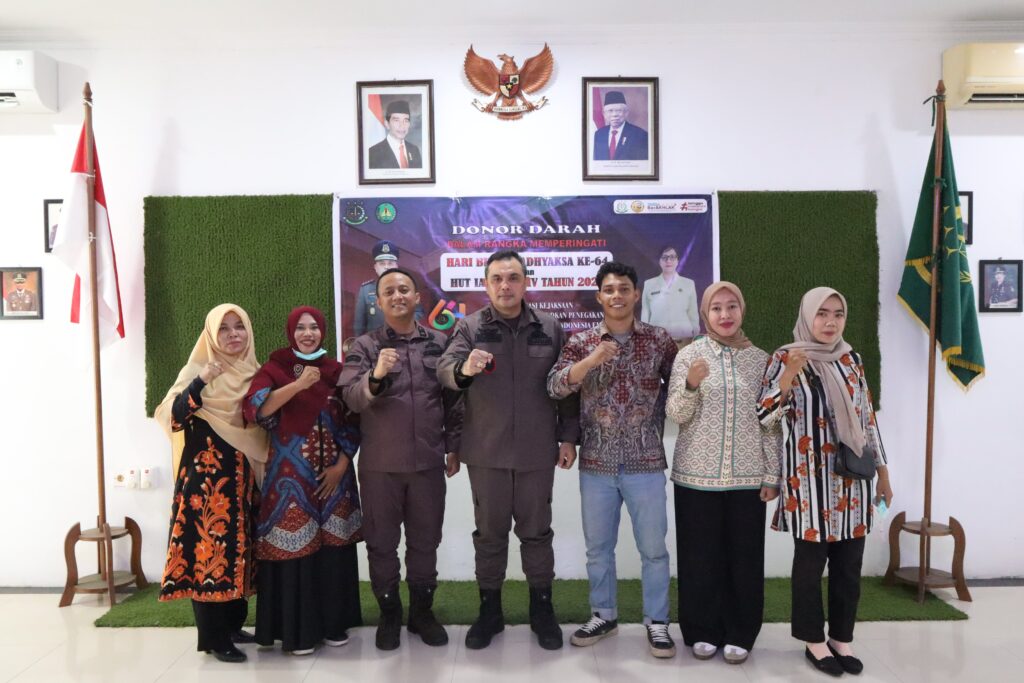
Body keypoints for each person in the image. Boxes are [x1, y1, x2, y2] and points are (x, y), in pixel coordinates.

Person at [438, 249, 579, 651]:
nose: (505, 286)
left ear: (526, 282)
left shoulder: (550, 327)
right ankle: (490, 612)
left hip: (537, 452)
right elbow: (445, 372)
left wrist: (568, 437)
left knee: (537, 534)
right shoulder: (469, 327)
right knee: (489, 536)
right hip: (486, 452)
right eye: (497, 279)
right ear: (486, 285)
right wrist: (465, 369)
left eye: (513, 277)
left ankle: (542, 611)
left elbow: (567, 387)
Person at [757, 287, 894, 677]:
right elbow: (765, 416)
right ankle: (813, 641)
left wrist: (884, 472)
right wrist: (789, 375)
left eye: (837, 314)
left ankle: (841, 638)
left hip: (854, 483)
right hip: (809, 483)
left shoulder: (852, 360)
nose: (830, 322)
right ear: (807, 316)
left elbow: (867, 420)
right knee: (809, 566)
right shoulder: (785, 358)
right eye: (822, 313)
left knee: (849, 565)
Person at [547, 261, 678, 659]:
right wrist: (591, 361)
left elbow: (679, 389)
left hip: (646, 460)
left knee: (653, 549)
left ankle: (657, 621)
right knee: (598, 549)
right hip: (597, 463)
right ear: (599, 296)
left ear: (636, 294)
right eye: (609, 289)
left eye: (624, 288)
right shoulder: (582, 341)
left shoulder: (658, 340)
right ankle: (603, 615)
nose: (617, 295)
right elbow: (555, 387)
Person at [339, 267, 463, 651]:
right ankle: (390, 613)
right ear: (378, 302)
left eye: (404, 289)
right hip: (381, 466)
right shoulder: (364, 346)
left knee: (425, 542)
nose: (397, 296)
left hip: (427, 463)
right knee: (381, 543)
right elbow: (350, 399)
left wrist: (454, 446)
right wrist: (375, 375)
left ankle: (421, 613)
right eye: (389, 291)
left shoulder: (439, 342)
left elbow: (454, 400)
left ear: (417, 297)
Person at [667, 281, 781, 665]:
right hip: (696, 477)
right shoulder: (689, 356)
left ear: (742, 310)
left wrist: (772, 475)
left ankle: (741, 632)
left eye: (732, 306)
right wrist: (691, 384)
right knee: (699, 558)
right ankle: (701, 629)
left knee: (744, 559)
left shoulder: (761, 360)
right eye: (716, 308)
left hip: (748, 479)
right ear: (705, 313)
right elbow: (676, 414)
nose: (725, 314)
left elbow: (771, 422)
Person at [244, 306, 363, 655]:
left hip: (335, 478)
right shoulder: (274, 369)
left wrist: (342, 464)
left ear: (322, 332)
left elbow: (355, 418)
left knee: (333, 550)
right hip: (289, 479)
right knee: (295, 550)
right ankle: (299, 632)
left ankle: (334, 625)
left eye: (313, 327)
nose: (308, 334)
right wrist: (298, 385)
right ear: (291, 332)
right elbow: (256, 409)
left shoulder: (337, 371)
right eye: (300, 328)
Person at [155, 304, 269, 663]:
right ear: (211, 334)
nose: (234, 334)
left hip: (243, 482)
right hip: (205, 487)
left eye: (240, 327)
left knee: (239, 553)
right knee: (208, 556)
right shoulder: (197, 370)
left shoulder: (255, 373)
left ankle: (233, 626)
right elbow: (172, 417)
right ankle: (214, 639)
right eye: (224, 328)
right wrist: (201, 381)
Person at [353, 240, 423, 338]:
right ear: (375, 267)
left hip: (403, 340)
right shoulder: (366, 290)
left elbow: (419, 312)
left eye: (390, 263)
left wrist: (404, 321)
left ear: (396, 266)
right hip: (375, 342)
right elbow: (359, 324)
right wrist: (360, 343)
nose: (386, 267)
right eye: (382, 263)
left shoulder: (408, 286)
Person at [641, 246, 700, 345]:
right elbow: (645, 313)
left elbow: (693, 313)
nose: (668, 261)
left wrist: (695, 337)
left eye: (672, 257)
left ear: (677, 261)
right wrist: (645, 337)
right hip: (657, 340)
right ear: (659, 261)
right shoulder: (649, 284)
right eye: (664, 257)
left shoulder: (689, 284)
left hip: (684, 339)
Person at [592, 90, 649, 161]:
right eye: (610, 111)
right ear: (604, 114)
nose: (614, 115)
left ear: (626, 113)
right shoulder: (598, 134)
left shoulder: (640, 135)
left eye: (619, 110)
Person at [368, 99, 423, 169]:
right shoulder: (373, 153)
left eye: (406, 120)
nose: (402, 125)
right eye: (396, 120)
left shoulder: (414, 150)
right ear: (387, 124)